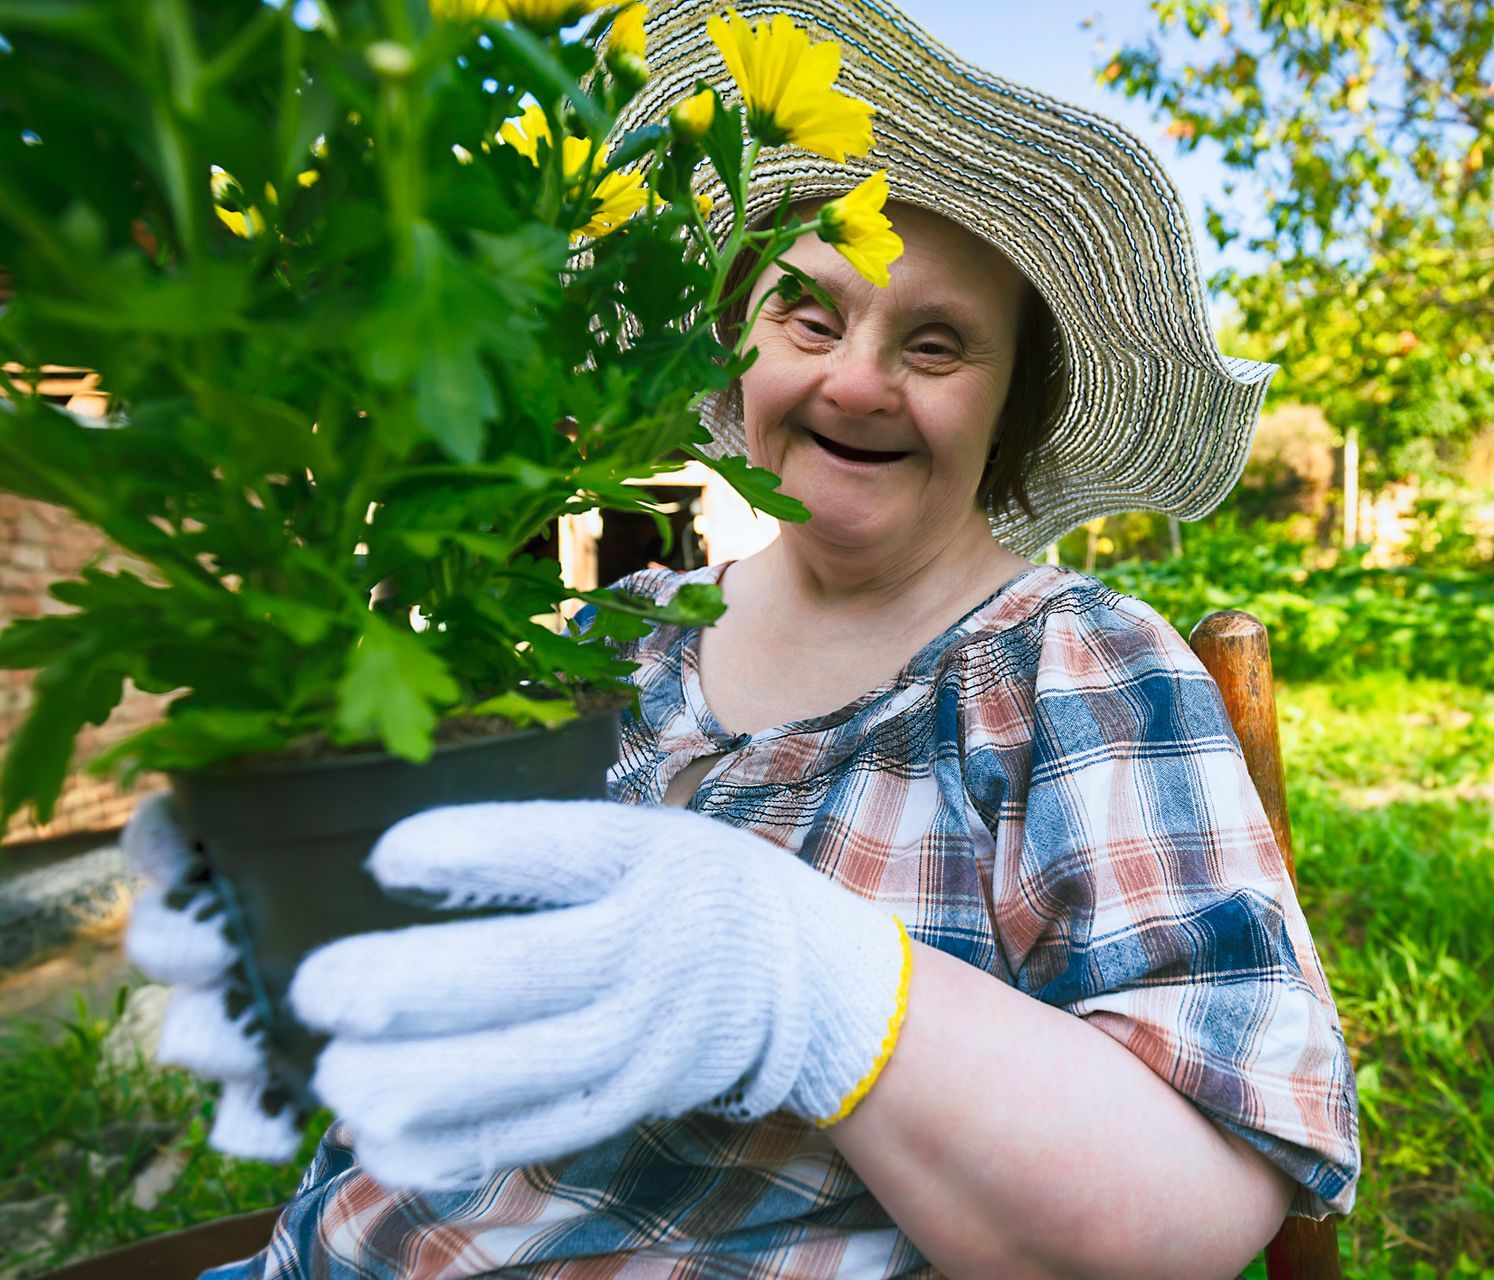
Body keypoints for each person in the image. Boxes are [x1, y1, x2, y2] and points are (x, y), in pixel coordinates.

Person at [122, 0, 1361, 1274]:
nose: (858, 380)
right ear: (735, 341)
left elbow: (1211, 1201)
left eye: (936, 345)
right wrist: (311, 898)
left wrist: (816, 990)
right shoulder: (619, 640)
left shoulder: (1074, 666)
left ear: (1015, 401)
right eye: (812, 317)